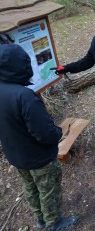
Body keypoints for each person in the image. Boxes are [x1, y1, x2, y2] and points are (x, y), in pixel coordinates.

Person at [0, 44, 79, 231]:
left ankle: (40, 219)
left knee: (30, 187)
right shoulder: (24, 96)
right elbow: (45, 133)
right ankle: (54, 223)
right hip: (39, 157)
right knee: (48, 189)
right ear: (18, 66)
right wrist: (59, 133)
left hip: (16, 155)